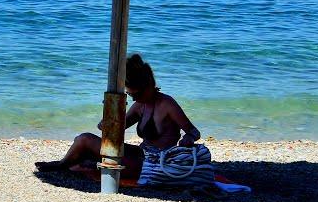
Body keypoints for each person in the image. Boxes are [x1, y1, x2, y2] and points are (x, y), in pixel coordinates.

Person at [34, 54, 201, 178]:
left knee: (86, 162)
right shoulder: (139, 106)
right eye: (130, 94)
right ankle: (63, 164)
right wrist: (107, 123)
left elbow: (194, 132)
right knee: (83, 139)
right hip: (140, 154)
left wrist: (188, 138)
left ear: (149, 85)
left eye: (136, 94)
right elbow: (117, 128)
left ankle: (68, 165)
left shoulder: (167, 104)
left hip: (155, 163)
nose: (133, 98)